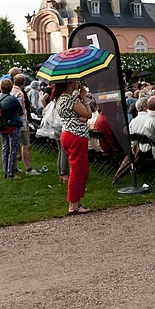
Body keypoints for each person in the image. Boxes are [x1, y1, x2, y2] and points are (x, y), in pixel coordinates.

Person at [53, 80, 93, 215]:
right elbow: (88, 114)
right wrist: (84, 99)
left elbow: (83, 115)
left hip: (69, 134)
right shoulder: (68, 99)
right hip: (76, 135)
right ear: (69, 84)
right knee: (78, 170)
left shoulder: (62, 99)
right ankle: (73, 204)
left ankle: (76, 200)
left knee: (81, 169)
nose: (77, 82)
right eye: (74, 81)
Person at [0, 78, 25, 179]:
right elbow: (21, 112)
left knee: (5, 148)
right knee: (13, 149)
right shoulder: (13, 99)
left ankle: (5, 171)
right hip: (13, 125)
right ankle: (11, 172)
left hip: (2, 125)